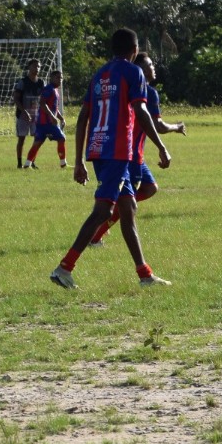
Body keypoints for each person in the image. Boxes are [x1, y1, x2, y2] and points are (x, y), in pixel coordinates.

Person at [50, 28, 173, 290]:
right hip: (117, 151)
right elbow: (140, 110)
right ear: (135, 50)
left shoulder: (99, 75)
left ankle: (145, 275)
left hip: (98, 149)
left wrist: (80, 160)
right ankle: (64, 268)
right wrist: (161, 146)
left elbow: (83, 117)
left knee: (127, 210)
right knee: (103, 211)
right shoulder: (133, 72)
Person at [89, 51, 188, 246]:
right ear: (141, 69)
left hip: (131, 153)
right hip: (130, 154)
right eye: (150, 65)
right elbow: (158, 125)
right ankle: (96, 236)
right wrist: (176, 128)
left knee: (150, 188)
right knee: (127, 203)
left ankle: (101, 226)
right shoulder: (148, 92)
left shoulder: (125, 87)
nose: (154, 68)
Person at [23, 70, 68, 169]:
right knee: (61, 138)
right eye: (57, 77)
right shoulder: (49, 89)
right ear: (51, 78)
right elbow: (43, 104)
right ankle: (63, 164)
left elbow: (54, 108)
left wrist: (61, 118)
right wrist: (52, 116)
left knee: (37, 143)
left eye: (61, 78)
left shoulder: (55, 90)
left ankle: (26, 165)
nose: (60, 80)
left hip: (42, 123)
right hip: (47, 122)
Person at [13, 59, 45, 169]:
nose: (37, 69)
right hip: (22, 115)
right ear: (29, 67)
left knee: (37, 139)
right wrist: (24, 111)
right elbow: (16, 99)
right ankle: (19, 163)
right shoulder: (22, 82)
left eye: (39, 67)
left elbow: (43, 100)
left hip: (36, 116)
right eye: (35, 66)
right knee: (22, 139)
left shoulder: (41, 82)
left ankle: (32, 161)